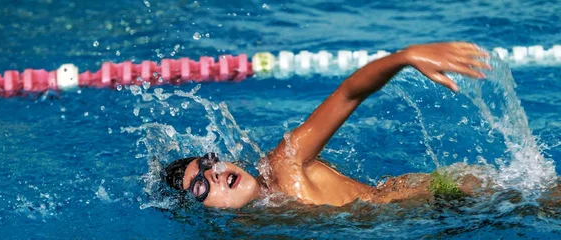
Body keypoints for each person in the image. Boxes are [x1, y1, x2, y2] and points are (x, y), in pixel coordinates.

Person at [165, 42, 492, 209]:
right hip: (431, 226)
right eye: (201, 186)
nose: (214, 174)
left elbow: (349, 94)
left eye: (208, 164)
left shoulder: (285, 163)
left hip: (449, 198)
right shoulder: (254, 223)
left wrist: (404, 57)